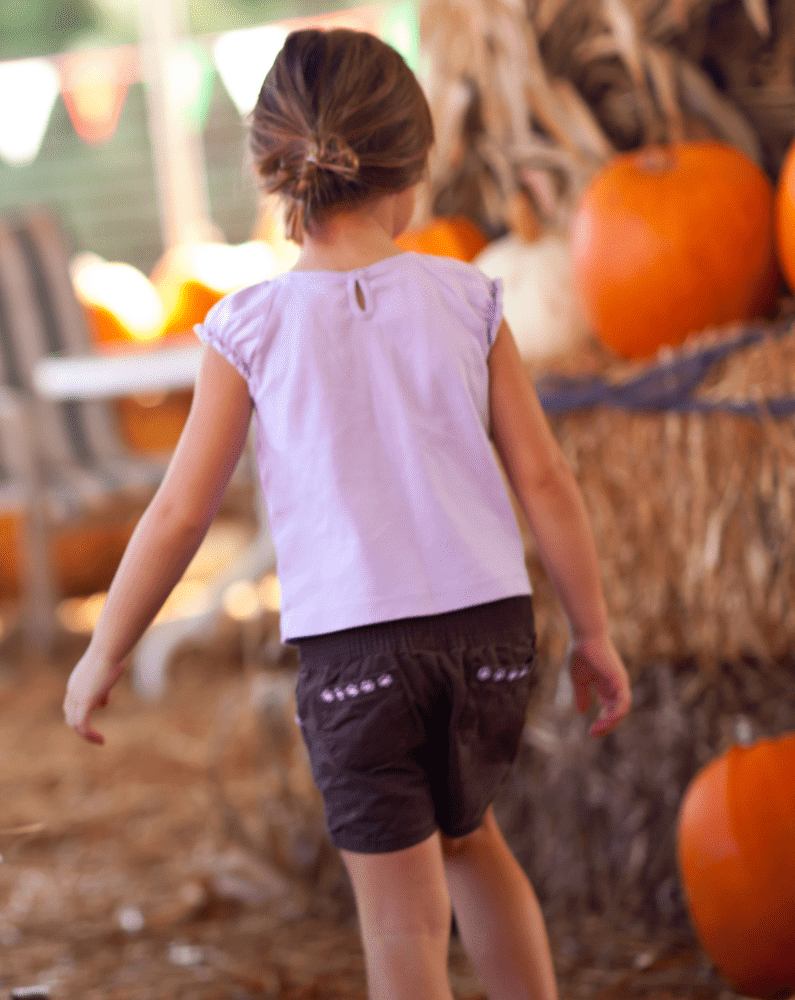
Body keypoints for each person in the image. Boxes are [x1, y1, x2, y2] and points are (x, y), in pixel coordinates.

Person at [62, 29, 632, 1000]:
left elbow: (177, 513)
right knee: (474, 844)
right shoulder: (467, 299)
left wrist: (104, 646)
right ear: (410, 170)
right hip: (488, 634)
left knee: (402, 920)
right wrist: (592, 632)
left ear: (273, 175)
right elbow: (543, 482)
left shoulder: (246, 328)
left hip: (354, 657)